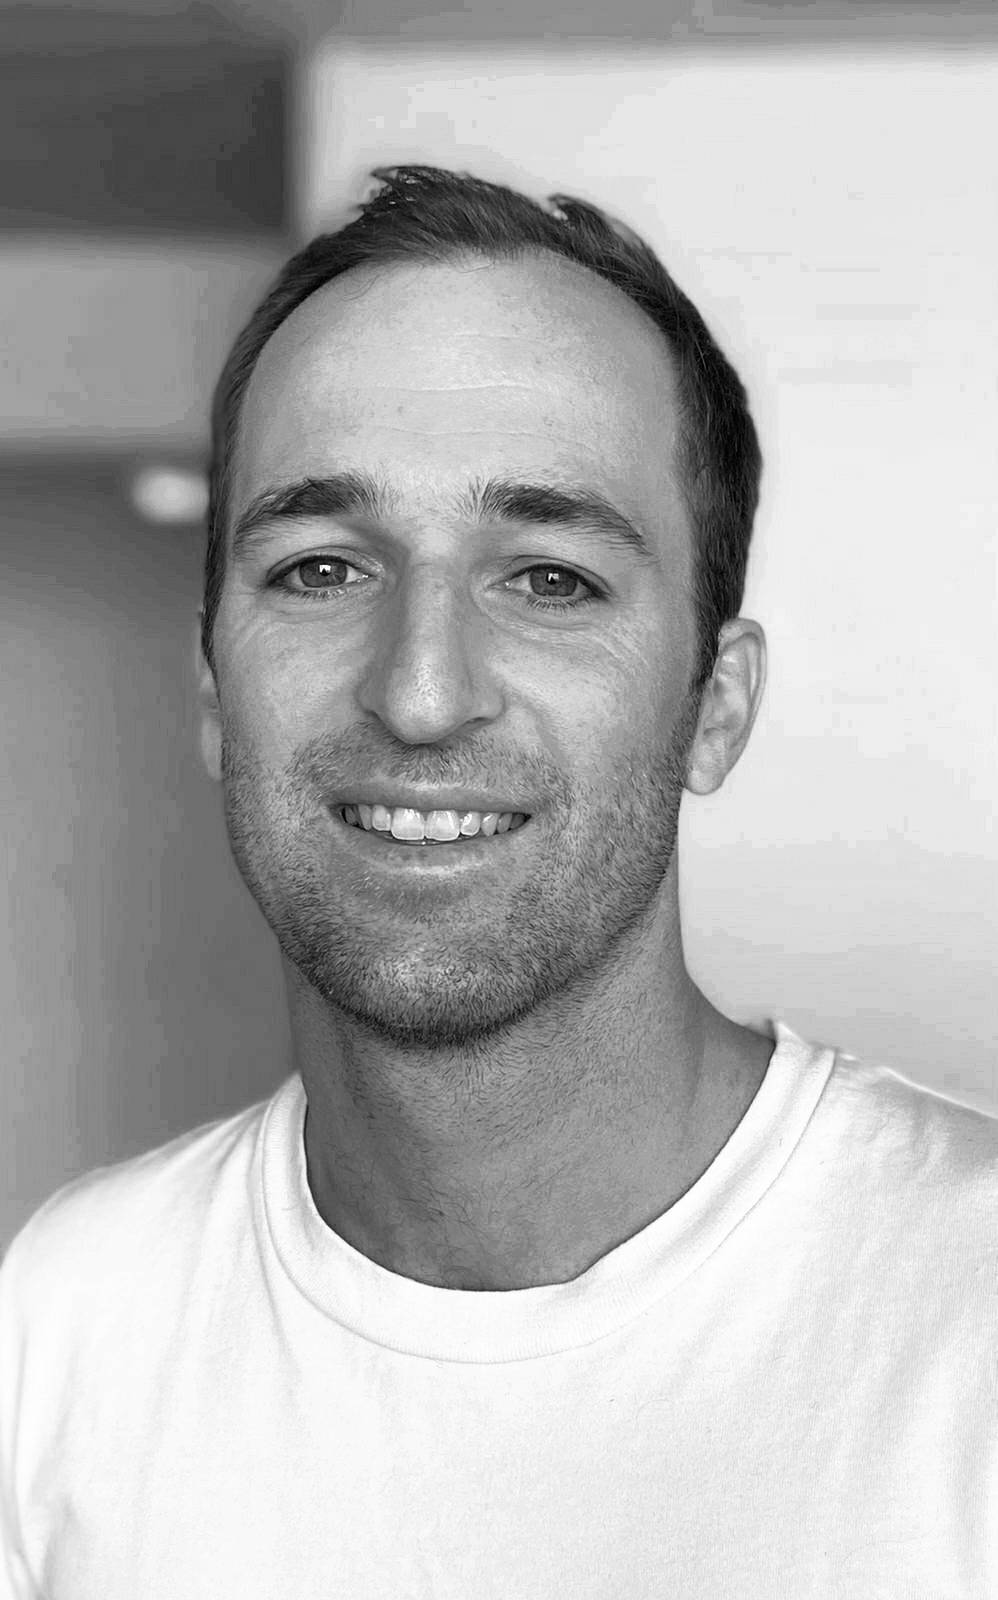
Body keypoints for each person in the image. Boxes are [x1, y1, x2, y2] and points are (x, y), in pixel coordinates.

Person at [1, 164, 994, 1597]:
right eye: (321, 569)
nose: (419, 693)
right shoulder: (64, 1328)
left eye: (548, 579)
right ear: (215, 691)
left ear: (714, 707)